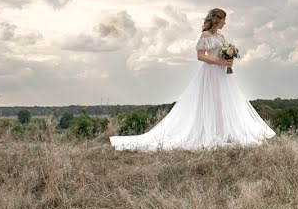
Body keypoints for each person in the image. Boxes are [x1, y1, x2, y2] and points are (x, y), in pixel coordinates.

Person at [109, 8, 276, 151]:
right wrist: (219, 61)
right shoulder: (205, 35)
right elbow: (200, 56)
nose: (225, 23)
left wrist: (228, 60)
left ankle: (222, 133)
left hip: (222, 74)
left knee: (222, 102)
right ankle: (209, 134)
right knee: (209, 101)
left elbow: (222, 52)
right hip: (210, 72)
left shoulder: (222, 37)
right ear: (218, 20)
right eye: (224, 20)